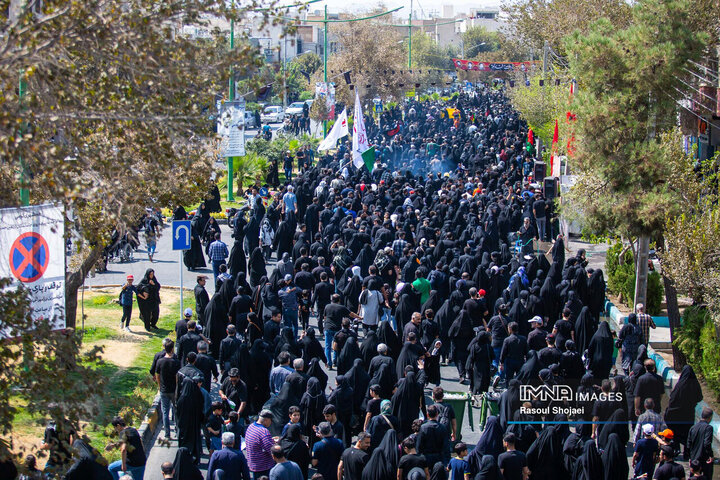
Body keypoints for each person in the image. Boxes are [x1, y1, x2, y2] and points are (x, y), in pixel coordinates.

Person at [155, 339, 180, 440]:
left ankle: (167, 434)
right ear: (172, 349)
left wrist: (160, 385)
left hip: (164, 390)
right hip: (174, 390)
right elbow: (177, 377)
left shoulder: (160, 361)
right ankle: (177, 430)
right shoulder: (176, 362)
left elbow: (157, 375)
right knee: (176, 410)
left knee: (165, 412)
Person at [246, 410, 276, 480]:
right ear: (266, 420)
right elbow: (271, 449)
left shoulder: (251, 426)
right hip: (263, 466)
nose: (271, 422)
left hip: (253, 464)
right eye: (271, 420)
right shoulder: (263, 431)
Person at [687, 407, 714, 480]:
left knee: (692, 477)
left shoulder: (693, 427)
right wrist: (711, 455)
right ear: (710, 417)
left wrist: (690, 457)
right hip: (704, 459)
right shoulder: (709, 428)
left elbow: (688, 444)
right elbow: (707, 443)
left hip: (694, 459)